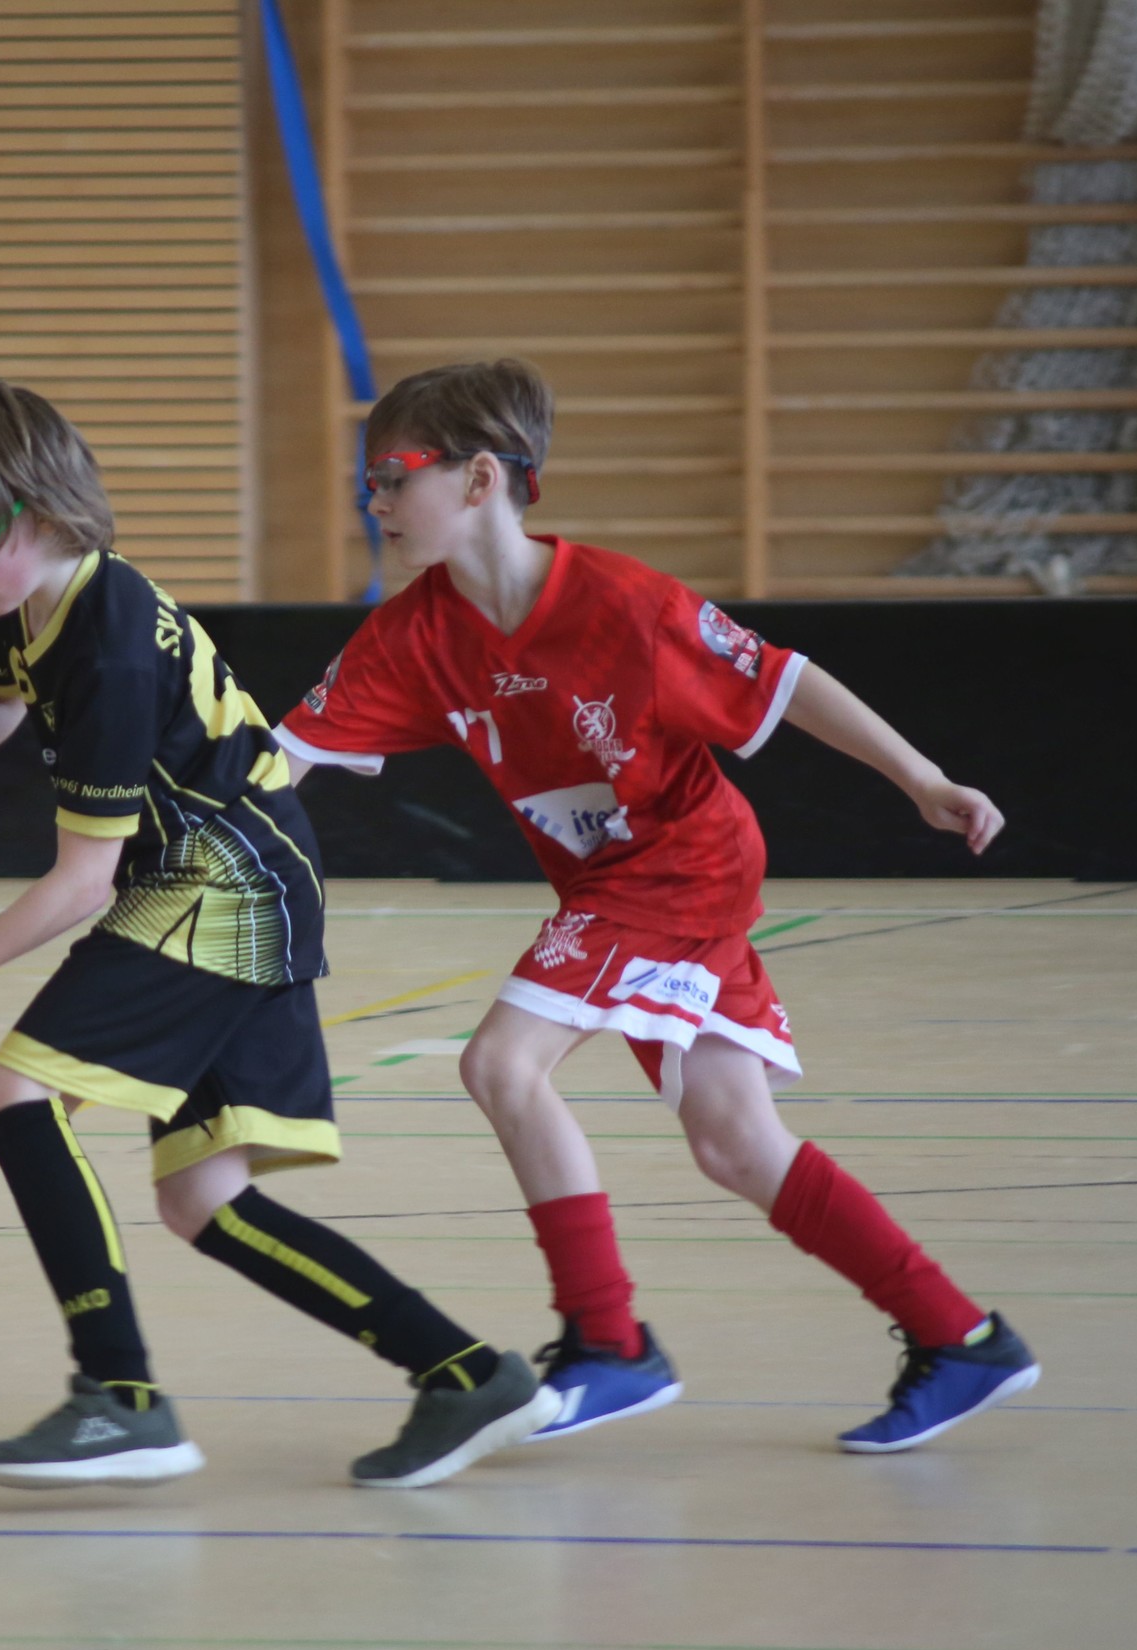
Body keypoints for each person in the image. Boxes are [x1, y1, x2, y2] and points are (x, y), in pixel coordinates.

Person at [270, 359, 1041, 1454]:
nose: (375, 501)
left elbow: (784, 679)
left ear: (482, 478)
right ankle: (960, 1336)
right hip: (609, 884)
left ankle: (607, 1343)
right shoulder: (412, 635)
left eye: (391, 476)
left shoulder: (625, 606)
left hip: (682, 862)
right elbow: (277, 757)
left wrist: (922, 778)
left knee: (500, 1063)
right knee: (733, 1139)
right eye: (371, 484)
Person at [0, 380, 558, 1490]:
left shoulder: (107, 641)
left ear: (34, 507)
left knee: (13, 1095)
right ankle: (463, 1371)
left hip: (221, 884)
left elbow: (82, 882)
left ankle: (119, 1396)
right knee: (203, 1199)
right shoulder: (37, 602)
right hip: (242, 880)